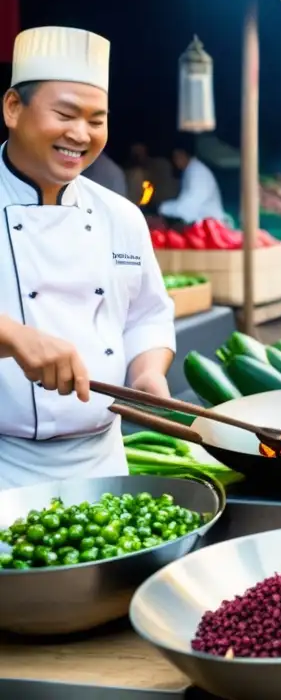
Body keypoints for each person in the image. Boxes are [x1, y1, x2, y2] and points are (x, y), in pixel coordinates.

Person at [0, 26, 175, 489]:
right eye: (65, 114)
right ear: (13, 108)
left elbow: (147, 316)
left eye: (97, 120)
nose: (80, 134)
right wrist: (13, 336)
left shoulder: (121, 215)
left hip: (103, 461)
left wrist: (146, 371)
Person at [159, 141, 225, 225]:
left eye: (177, 157)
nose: (175, 161)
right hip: (202, 225)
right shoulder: (189, 170)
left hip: (210, 227)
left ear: (184, 155)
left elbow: (189, 206)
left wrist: (162, 208)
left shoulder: (197, 171)